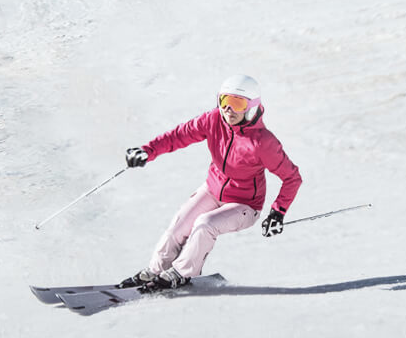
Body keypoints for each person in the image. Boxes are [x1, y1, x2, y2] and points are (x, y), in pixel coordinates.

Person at [121, 74, 303, 290]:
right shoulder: (213, 120)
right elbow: (179, 135)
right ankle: (156, 270)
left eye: (237, 103)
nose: (229, 109)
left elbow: (292, 177)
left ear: (252, 107)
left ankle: (181, 273)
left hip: (244, 205)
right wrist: (147, 151)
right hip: (212, 190)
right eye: (225, 101)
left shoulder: (262, 142)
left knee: (205, 225)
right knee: (178, 227)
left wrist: (278, 212)